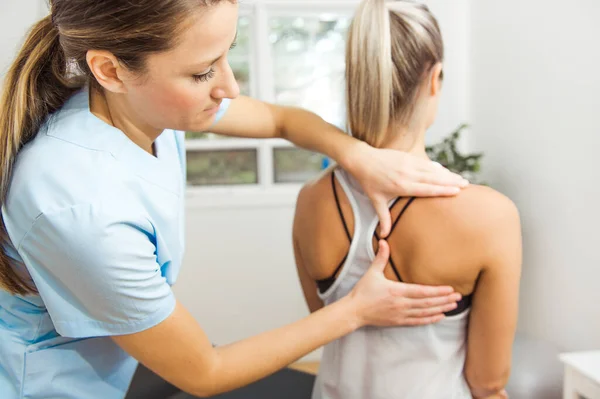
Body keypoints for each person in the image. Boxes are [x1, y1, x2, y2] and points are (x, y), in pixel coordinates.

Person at [0, 1, 470, 398]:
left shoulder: (136, 101)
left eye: (229, 55)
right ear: (110, 70)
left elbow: (279, 119)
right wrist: (355, 310)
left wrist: (357, 154)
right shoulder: (82, 208)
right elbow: (204, 372)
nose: (230, 88)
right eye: (204, 71)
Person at [292, 1, 523, 398]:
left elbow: (325, 324)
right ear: (434, 80)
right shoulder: (490, 216)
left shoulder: (311, 200)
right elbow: (488, 382)